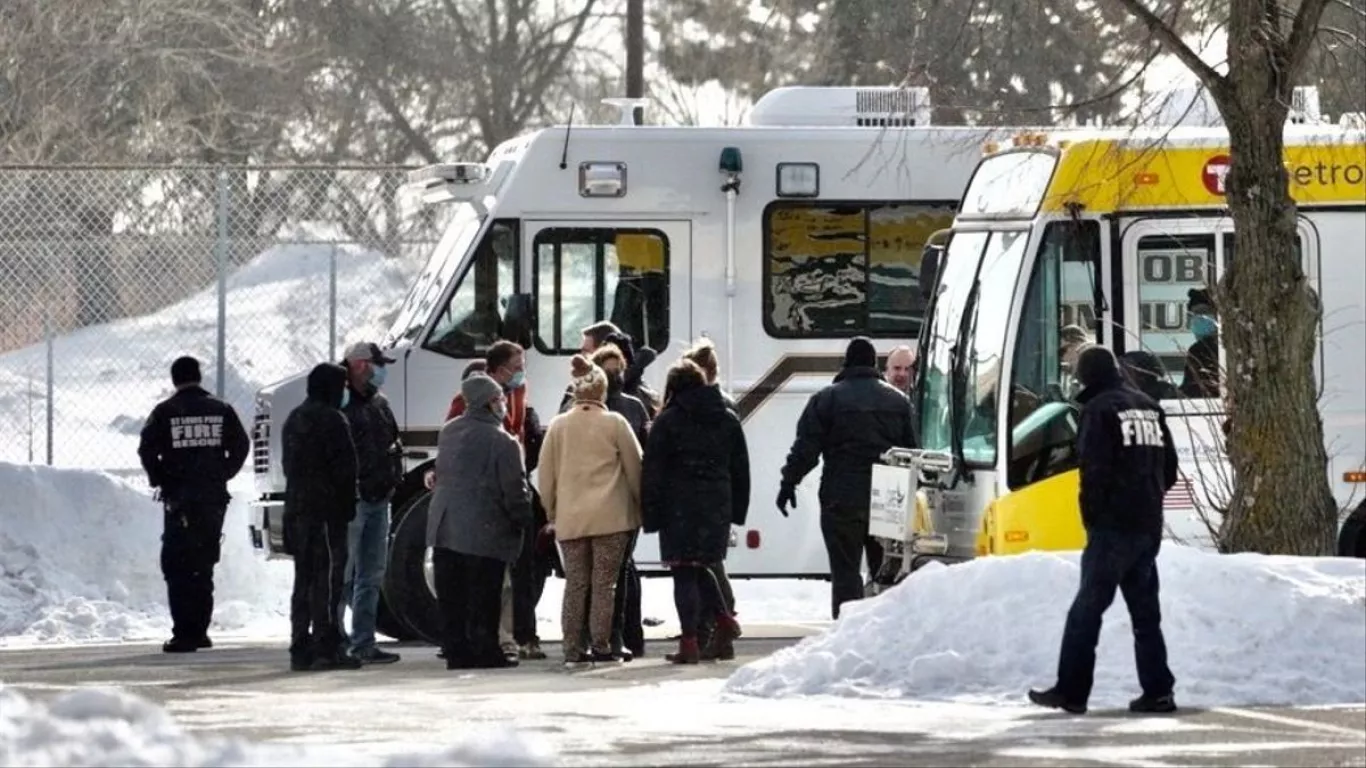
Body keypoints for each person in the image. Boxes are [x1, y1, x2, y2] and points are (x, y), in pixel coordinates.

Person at [1029, 346, 1180, 715]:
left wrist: (1093, 518)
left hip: (1113, 527)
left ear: (1085, 377)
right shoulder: (1148, 406)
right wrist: (1149, 498)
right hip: (1148, 525)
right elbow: (1170, 469)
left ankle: (1071, 691)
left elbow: (1093, 470)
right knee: (1146, 615)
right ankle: (1159, 691)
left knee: (1086, 611)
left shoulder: (1098, 410)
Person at [776, 336, 916, 620]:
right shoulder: (899, 402)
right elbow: (912, 452)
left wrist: (789, 483)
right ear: (874, 364)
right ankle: (884, 627)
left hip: (841, 497)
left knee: (845, 571)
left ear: (846, 363)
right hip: (887, 498)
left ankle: (846, 627)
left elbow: (806, 449)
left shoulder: (826, 400)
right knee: (885, 571)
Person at [136, 355, 250, 654]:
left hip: (180, 500)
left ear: (174, 379)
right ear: (199, 377)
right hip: (212, 499)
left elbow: (146, 449)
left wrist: (161, 479)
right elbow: (241, 445)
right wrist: (221, 474)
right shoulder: (221, 410)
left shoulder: (165, 412)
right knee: (203, 563)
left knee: (177, 565)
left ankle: (184, 633)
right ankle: (199, 630)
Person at [643, 358, 751, 664]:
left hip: (678, 505)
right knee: (703, 564)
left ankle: (690, 642)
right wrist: (737, 510)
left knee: (684, 572)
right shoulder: (727, 418)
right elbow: (740, 468)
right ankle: (724, 619)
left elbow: (653, 471)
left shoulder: (667, 421)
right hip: (716, 504)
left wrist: (650, 513)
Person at [538, 355, 644, 665]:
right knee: (604, 585)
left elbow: (546, 476)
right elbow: (635, 467)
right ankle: (601, 644)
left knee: (575, 584)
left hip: (571, 521)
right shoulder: (615, 423)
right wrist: (639, 505)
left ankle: (572, 647)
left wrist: (552, 513)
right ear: (601, 390)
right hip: (612, 519)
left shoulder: (558, 426)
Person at [426, 372, 532, 670]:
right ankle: (486, 651)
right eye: (499, 399)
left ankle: (457, 652)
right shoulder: (503, 442)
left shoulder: (449, 431)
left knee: (452, 598)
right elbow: (514, 488)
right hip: (485, 531)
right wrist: (523, 519)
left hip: (444, 528)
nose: (503, 404)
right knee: (485, 595)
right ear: (488, 403)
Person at [281, 362, 361, 671]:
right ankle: (326, 648)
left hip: (297, 509)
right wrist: (347, 504)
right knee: (327, 580)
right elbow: (345, 468)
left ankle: (300, 646)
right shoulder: (333, 419)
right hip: (326, 512)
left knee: (303, 579)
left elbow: (290, 466)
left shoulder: (294, 418)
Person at [339, 341, 403, 665]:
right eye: (378, 365)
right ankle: (335, 640)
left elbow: (392, 441)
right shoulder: (340, 401)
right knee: (342, 574)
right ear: (361, 364)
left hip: (379, 498)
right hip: (353, 501)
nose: (381, 371)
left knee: (371, 574)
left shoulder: (379, 402)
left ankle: (363, 641)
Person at [587, 343, 650, 659]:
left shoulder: (634, 407)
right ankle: (601, 635)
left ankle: (620, 634)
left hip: (624, 499)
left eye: (618, 369)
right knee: (598, 572)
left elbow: (645, 453)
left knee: (620, 570)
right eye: (609, 370)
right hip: (595, 498)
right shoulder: (582, 408)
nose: (615, 376)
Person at [680, 337, 740, 651]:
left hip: (701, 496)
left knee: (706, 564)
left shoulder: (707, 407)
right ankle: (716, 627)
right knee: (710, 562)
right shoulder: (726, 404)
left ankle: (719, 624)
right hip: (719, 494)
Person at [1180, 288, 1220, 398]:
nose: (1198, 319)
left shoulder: (1200, 350)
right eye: (1193, 315)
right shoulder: (1198, 350)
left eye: (1203, 312)